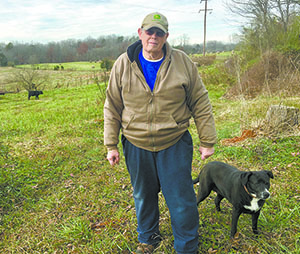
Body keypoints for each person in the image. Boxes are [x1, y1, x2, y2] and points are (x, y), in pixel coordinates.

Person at [104, 12, 217, 254]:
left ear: (166, 36)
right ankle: (149, 238)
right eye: (149, 32)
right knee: (143, 195)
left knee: (180, 197)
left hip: (173, 141)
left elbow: (200, 101)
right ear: (140, 33)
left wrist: (207, 140)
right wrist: (111, 145)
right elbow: (112, 105)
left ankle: (187, 246)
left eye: (159, 33)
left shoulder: (182, 62)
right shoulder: (123, 64)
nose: (153, 37)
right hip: (136, 143)